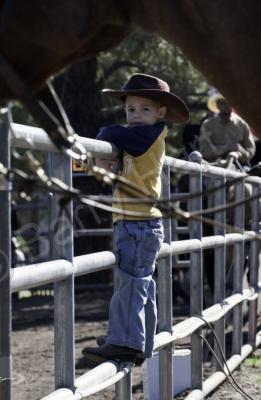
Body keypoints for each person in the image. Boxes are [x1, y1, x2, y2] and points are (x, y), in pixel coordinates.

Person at [82, 73, 189, 364]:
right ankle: (139, 337)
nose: (136, 116)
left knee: (132, 282)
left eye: (145, 109)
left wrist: (103, 137)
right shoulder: (138, 139)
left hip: (138, 223)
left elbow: (113, 133)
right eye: (131, 109)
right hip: (136, 223)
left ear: (161, 113)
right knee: (139, 282)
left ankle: (126, 341)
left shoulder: (148, 135)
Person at [199, 93, 256, 165]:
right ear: (218, 105)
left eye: (229, 103)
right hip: (214, 165)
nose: (226, 106)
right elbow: (204, 150)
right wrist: (226, 147)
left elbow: (250, 150)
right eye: (223, 103)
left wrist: (238, 154)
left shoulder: (242, 124)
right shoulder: (208, 125)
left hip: (238, 165)